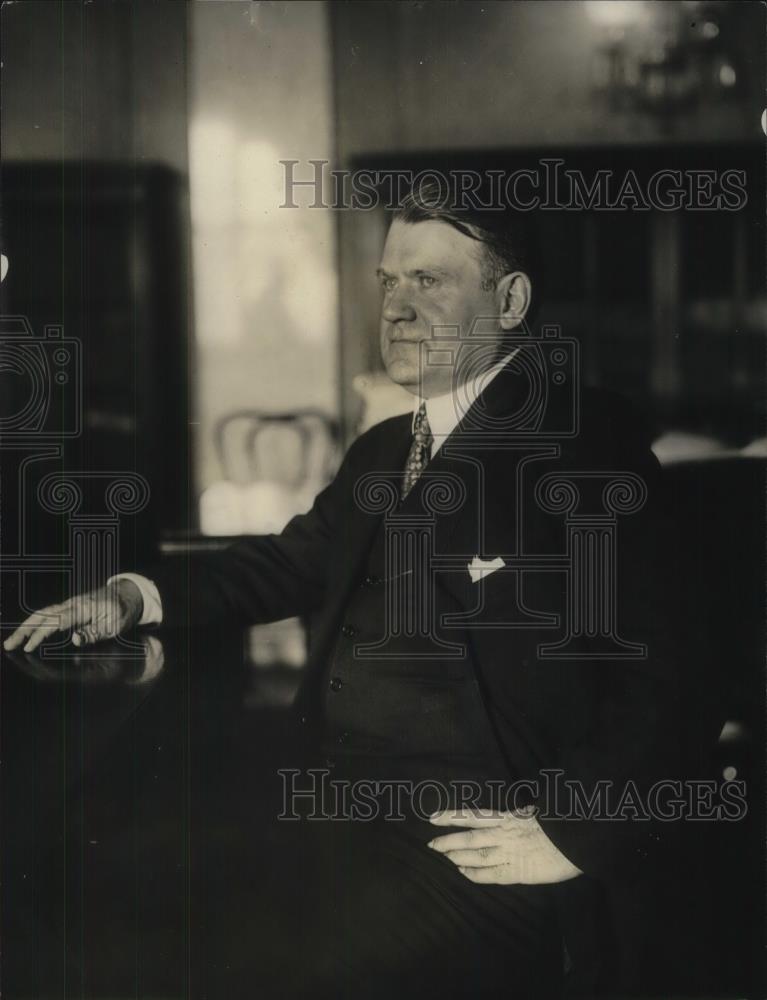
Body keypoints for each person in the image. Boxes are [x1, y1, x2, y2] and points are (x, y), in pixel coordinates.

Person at [5, 184, 683, 997]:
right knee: (98, 904)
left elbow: (673, 669)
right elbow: (292, 561)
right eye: (388, 282)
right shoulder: (387, 446)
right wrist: (129, 596)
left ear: (510, 300)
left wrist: (574, 836)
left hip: (475, 842)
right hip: (338, 806)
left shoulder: (581, 438)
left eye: (427, 281)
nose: (395, 306)